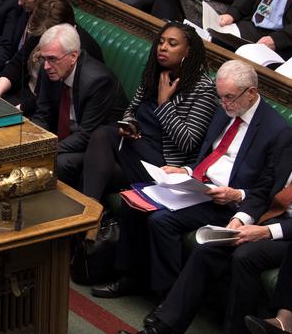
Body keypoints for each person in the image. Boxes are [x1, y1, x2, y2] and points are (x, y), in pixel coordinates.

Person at [115, 88, 292, 334]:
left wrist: (265, 232)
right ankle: (160, 332)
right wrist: (239, 218)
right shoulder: (289, 140)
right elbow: (262, 190)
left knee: (245, 257)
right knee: (209, 248)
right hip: (262, 220)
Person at [97, 60, 289, 298]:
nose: (224, 103)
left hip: (226, 202)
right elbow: (207, 156)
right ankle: (129, 277)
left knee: (161, 220)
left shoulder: (277, 130)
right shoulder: (225, 108)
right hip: (197, 187)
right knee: (134, 201)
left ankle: (166, 295)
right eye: (221, 97)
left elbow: (266, 189)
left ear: (251, 93)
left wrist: (236, 194)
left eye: (229, 97)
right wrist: (186, 172)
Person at [79, 22, 216, 206]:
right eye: (161, 42)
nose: (163, 47)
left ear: (188, 51)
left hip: (162, 163)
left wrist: (164, 103)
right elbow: (131, 109)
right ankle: (91, 218)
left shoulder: (203, 89)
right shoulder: (156, 72)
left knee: (96, 169)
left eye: (172, 44)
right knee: (102, 137)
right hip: (135, 145)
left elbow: (188, 143)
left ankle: (88, 218)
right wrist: (130, 124)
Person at [31, 23, 126, 186]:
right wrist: (32, 143)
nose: (46, 66)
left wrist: (45, 150)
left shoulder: (97, 80)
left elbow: (86, 135)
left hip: (100, 148)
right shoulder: (50, 69)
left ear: (73, 56)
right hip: (68, 136)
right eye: (43, 58)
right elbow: (42, 115)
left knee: (60, 162)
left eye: (52, 59)